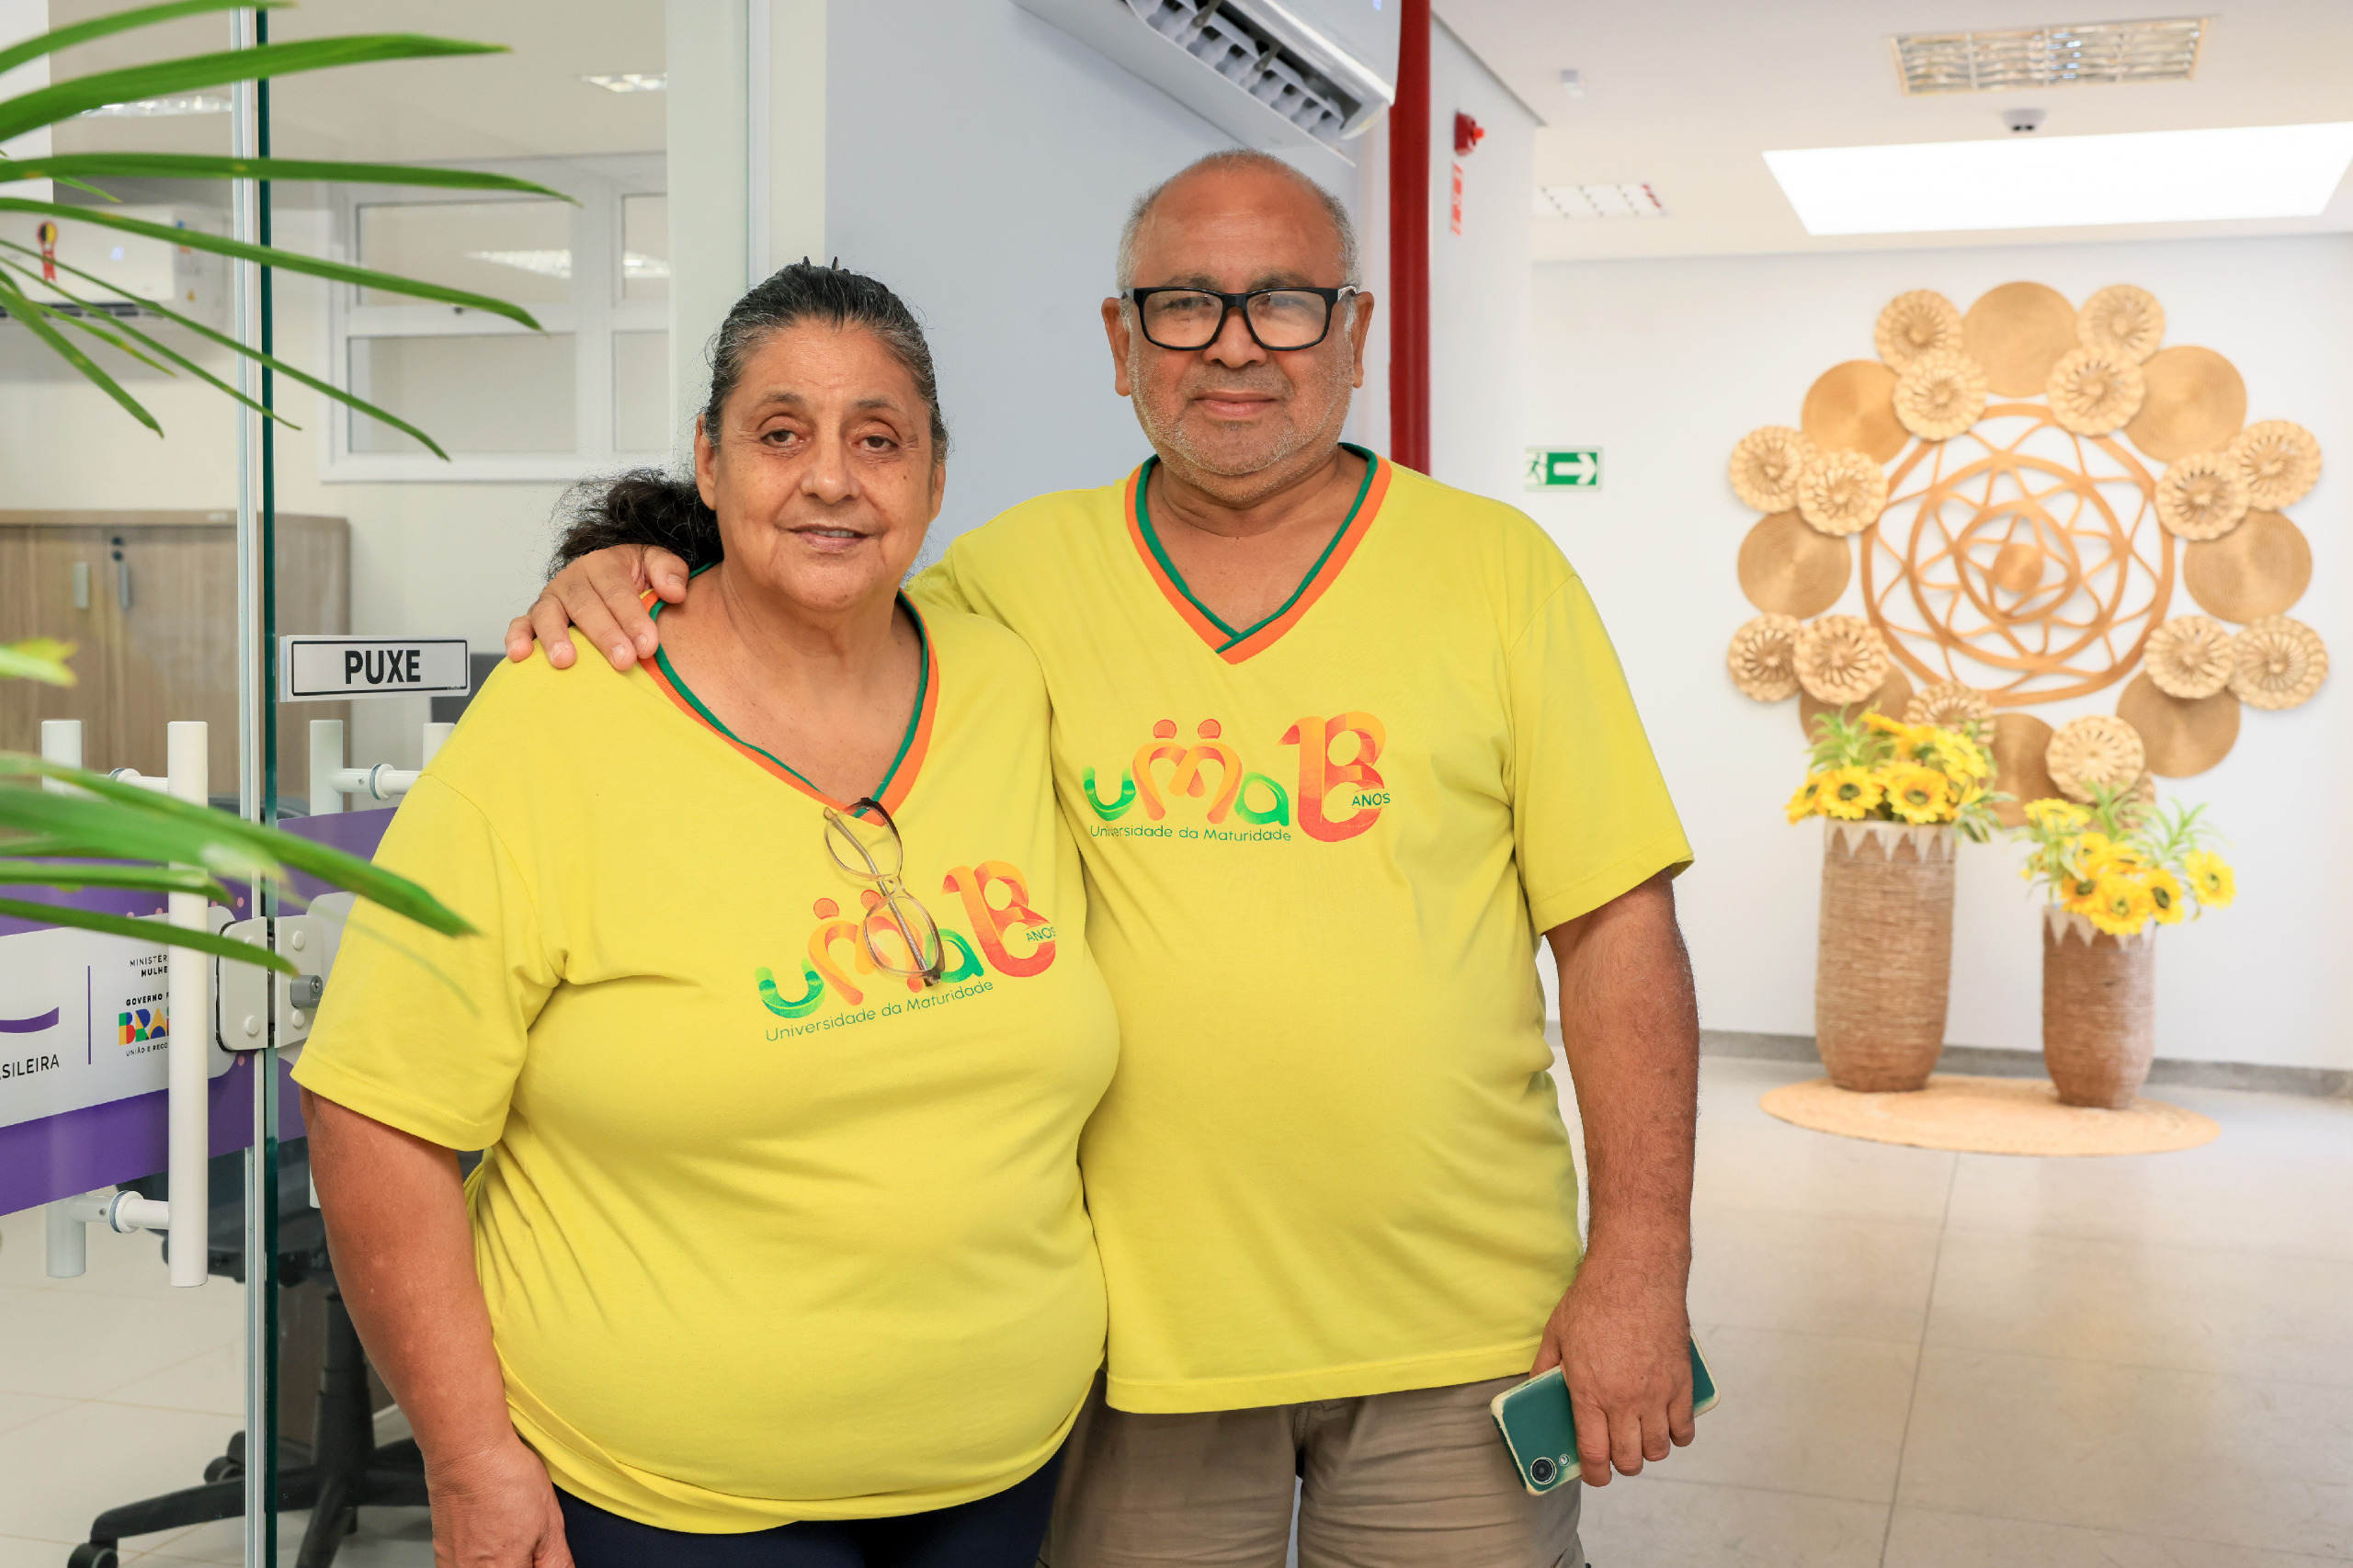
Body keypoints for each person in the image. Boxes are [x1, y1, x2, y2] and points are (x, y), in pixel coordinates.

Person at [517, 151, 1699, 1568]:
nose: (1239, 346)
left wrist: (1641, 1256)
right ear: (1120, 342)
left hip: (1460, 1332)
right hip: (1132, 1348)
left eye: (1287, 304)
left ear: (1358, 333)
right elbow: (797, 603)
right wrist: (619, 568)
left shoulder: (1500, 574)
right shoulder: (1004, 586)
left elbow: (1618, 926)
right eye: (1187, 305)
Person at [297, 263, 1121, 1568]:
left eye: (878, 437)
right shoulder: (567, 711)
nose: (832, 478)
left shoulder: (1007, 681)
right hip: (664, 1497)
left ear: (937, 476)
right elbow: (372, 1108)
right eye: (781, 433)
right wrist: (465, 1458)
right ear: (712, 463)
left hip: (1004, 1466)